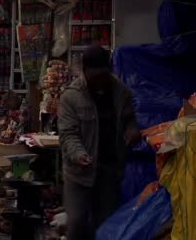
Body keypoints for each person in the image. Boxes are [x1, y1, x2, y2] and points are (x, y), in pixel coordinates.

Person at [58, 45, 141, 240]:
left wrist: (132, 130)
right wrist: (79, 154)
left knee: (105, 224)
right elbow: (68, 134)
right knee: (77, 222)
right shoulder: (71, 97)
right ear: (84, 71)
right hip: (79, 174)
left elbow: (129, 118)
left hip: (109, 170)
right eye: (94, 75)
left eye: (103, 75)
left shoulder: (121, 92)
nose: (99, 80)